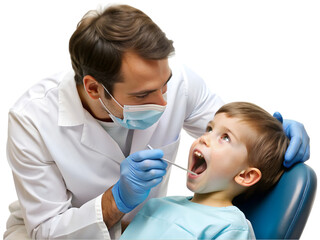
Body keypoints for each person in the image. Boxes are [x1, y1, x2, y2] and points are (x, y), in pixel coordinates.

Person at [4, 4, 309, 240]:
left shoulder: (226, 227)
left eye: (165, 85)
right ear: (94, 88)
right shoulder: (31, 120)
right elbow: (46, 230)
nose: (164, 102)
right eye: (144, 95)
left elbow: (242, 135)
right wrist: (117, 199)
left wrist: (277, 133)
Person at [120, 102, 289, 239]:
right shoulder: (158, 205)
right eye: (209, 129)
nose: (204, 138)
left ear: (245, 175)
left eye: (225, 137)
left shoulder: (229, 228)